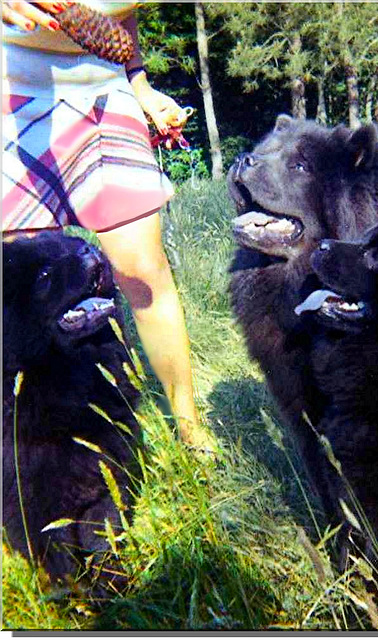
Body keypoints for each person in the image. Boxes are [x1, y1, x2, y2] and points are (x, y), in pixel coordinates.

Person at [2, 1, 215, 452]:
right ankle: (40, 441)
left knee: (140, 266)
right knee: (31, 287)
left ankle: (191, 429)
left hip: (102, 96)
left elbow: (116, 15)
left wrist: (141, 86)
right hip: (12, 98)